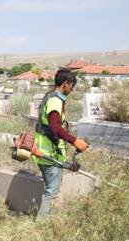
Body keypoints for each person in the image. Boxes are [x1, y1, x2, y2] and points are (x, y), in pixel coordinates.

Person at [32, 69, 88, 218]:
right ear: (65, 84)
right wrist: (75, 141)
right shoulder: (55, 101)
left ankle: (45, 219)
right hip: (49, 153)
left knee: (50, 189)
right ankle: (41, 225)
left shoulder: (49, 96)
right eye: (72, 85)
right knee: (51, 191)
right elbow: (56, 128)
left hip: (43, 151)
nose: (72, 89)